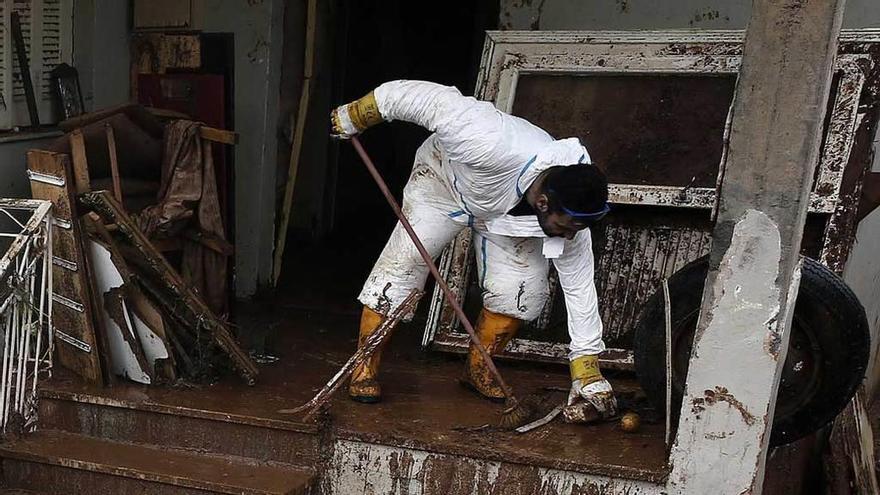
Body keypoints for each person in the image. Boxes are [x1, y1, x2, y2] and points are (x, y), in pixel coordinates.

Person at [330, 80, 617, 421]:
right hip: (443, 185)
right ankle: (364, 367)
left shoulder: (569, 216)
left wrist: (586, 368)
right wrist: (357, 114)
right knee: (402, 268)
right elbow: (422, 99)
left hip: (502, 217)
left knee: (521, 294)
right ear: (543, 202)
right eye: (569, 227)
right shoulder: (488, 139)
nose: (572, 236)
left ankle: (479, 370)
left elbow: (580, 287)